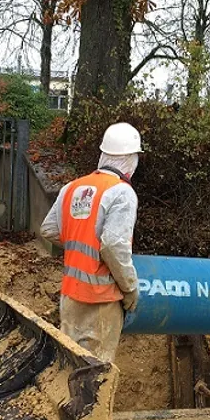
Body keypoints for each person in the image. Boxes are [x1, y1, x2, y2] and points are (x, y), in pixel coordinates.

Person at [40, 122, 142, 364]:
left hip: (71, 295)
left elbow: (49, 229)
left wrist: (81, 241)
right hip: (102, 300)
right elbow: (113, 245)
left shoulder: (72, 188)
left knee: (72, 366)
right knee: (97, 373)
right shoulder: (122, 193)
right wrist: (129, 288)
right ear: (130, 158)